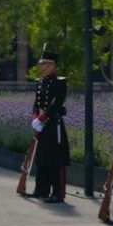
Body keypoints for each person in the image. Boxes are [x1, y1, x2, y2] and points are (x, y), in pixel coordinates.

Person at [26, 47, 69, 203]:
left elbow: (57, 104)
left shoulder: (59, 83)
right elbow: (37, 103)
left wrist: (42, 118)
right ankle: (41, 190)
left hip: (53, 124)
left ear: (52, 65)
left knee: (55, 159)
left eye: (45, 64)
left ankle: (57, 193)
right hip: (41, 124)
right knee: (42, 157)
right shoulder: (40, 82)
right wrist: (35, 118)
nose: (41, 67)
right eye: (41, 64)